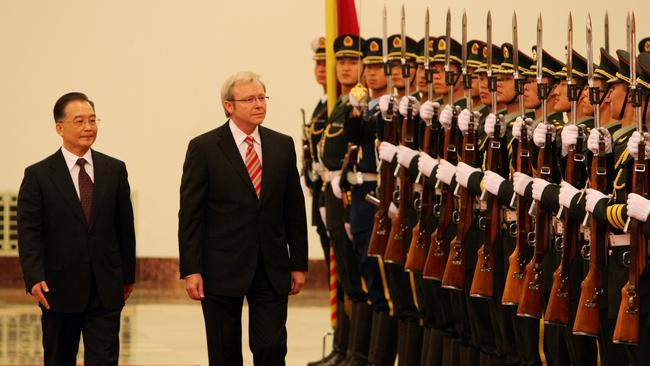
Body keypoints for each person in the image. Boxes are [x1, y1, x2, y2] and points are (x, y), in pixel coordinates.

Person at [178, 71, 308, 366]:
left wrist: (298, 262)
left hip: (271, 264)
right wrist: (191, 268)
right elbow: (190, 214)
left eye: (262, 97)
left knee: (271, 347)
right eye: (249, 99)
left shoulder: (281, 145)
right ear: (229, 106)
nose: (259, 104)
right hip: (221, 266)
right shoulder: (205, 148)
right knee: (224, 352)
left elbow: (294, 208)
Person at [17, 92, 136, 366]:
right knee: (60, 357)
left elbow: (124, 227)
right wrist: (34, 277)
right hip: (58, 288)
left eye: (93, 120)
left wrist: (127, 275)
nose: (88, 127)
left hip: (105, 288)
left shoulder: (114, 169)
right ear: (60, 128)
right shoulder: (38, 175)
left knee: (105, 359)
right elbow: (29, 231)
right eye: (79, 121)